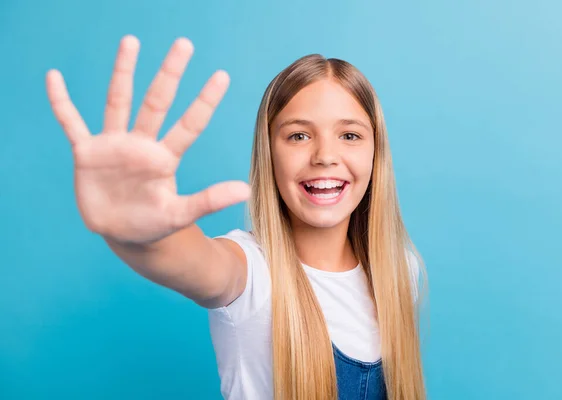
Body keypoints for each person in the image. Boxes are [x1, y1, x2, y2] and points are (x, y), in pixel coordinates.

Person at [45, 35, 427, 400]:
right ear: (269, 151)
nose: (325, 155)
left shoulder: (398, 271)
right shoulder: (251, 276)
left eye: (349, 136)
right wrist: (139, 230)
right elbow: (197, 263)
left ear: (376, 153)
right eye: (298, 136)